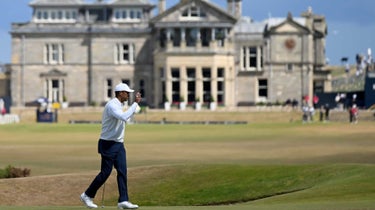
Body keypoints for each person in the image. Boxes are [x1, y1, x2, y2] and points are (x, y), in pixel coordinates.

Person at [80, 83, 142, 209]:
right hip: (108, 143)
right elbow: (124, 117)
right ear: (120, 93)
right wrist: (135, 104)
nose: (128, 95)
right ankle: (87, 195)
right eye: (127, 92)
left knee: (122, 171)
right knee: (105, 173)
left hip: (118, 143)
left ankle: (123, 200)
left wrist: (135, 107)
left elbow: (127, 117)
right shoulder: (112, 105)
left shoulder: (119, 105)